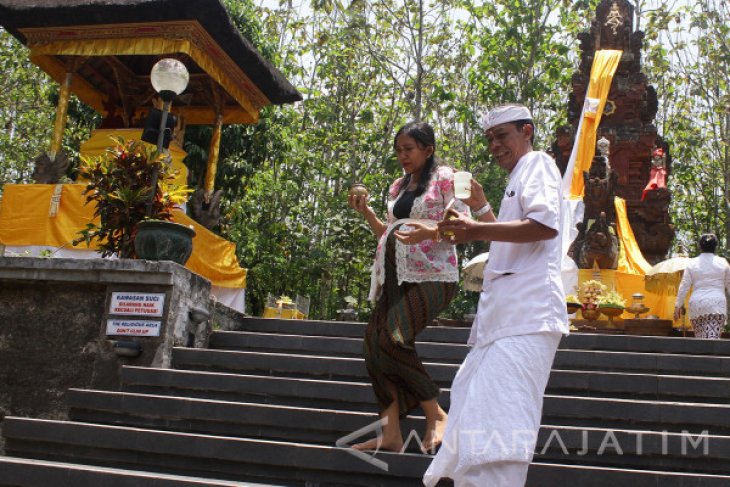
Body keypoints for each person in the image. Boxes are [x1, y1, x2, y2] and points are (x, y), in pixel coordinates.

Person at [423, 104, 569, 487]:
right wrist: (481, 208)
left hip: (528, 315)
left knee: (500, 424)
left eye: (501, 136)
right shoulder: (519, 176)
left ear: (527, 131)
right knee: (474, 410)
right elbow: (507, 240)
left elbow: (543, 226)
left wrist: (472, 230)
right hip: (501, 321)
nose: (494, 146)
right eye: (489, 139)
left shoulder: (537, 162)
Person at [348, 121, 478, 453]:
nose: (402, 155)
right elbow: (389, 232)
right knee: (373, 347)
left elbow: (461, 226)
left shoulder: (447, 178)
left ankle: (436, 415)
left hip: (434, 274)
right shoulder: (397, 186)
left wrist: (430, 232)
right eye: (398, 150)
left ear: (428, 150)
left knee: (394, 339)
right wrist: (367, 213)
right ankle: (391, 434)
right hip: (393, 272)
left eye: (408, 149)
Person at [674, 233, 730, 339]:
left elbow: (684, 286)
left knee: (701, 342)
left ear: (700, 246)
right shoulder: (723, 263)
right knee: (711, 342)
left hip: (697, 307)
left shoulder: (692, 263)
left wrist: (677, 306)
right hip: (716, 306)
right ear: (716, 246)